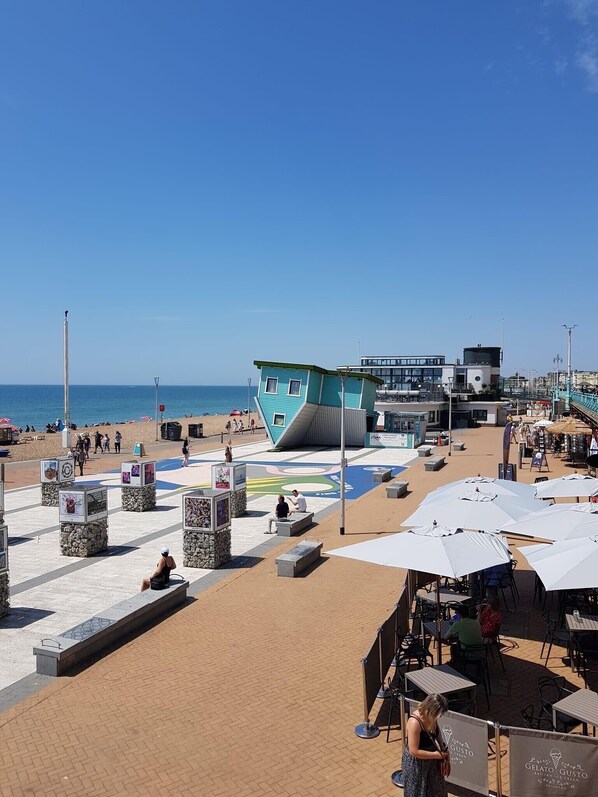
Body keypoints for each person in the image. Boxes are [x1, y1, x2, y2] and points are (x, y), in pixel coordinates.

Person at [402, 694, 450, 797]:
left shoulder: (432, 717)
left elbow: (436, 731)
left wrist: (442, 747)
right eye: (438, 715)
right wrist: (435, 755)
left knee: (438, 791)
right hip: (416, 765)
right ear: (430, 711)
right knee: (417, 793)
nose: (439, 717)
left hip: (431, 761)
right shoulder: (414, 723)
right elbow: (414, 751)